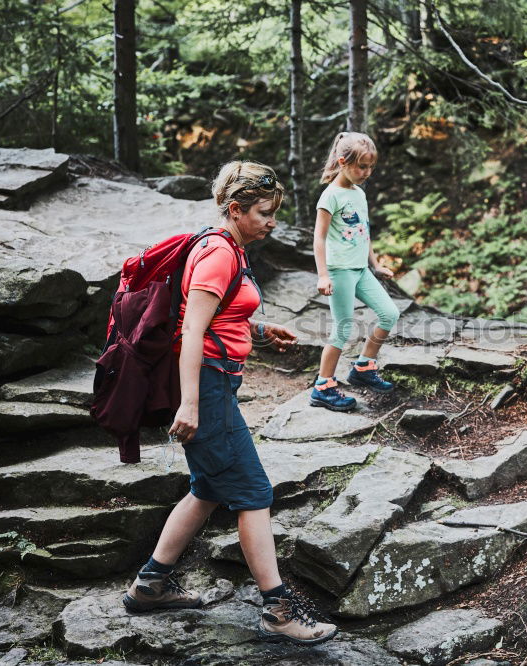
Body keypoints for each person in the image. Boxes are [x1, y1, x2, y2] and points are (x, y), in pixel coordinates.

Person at [122, 161, 338, 647]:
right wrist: (191, 405)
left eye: (275, 212)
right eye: (264, 212)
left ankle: (150, 585)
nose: (272, 222)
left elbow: (217, 317)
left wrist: (259, 329)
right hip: (207, 387)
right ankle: (278, 611)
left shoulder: (227, 247)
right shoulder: (218, 254)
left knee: (207, 488)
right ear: (235, 209)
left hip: (216, 382)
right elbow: (192, 330)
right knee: (254, 492)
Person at [310, 132, 401, 411]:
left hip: (361, 269)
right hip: (339, 271)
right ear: (342, 162)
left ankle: (363, 367)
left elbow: (364, 232)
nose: (366, 172)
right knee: (343, 328)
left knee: (389, 314)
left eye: (370, 167)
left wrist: (375, 265)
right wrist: (323, 274)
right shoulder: (330, 196)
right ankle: (323, 386)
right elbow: (319, 238)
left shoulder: (359, 194)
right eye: (361, 166)